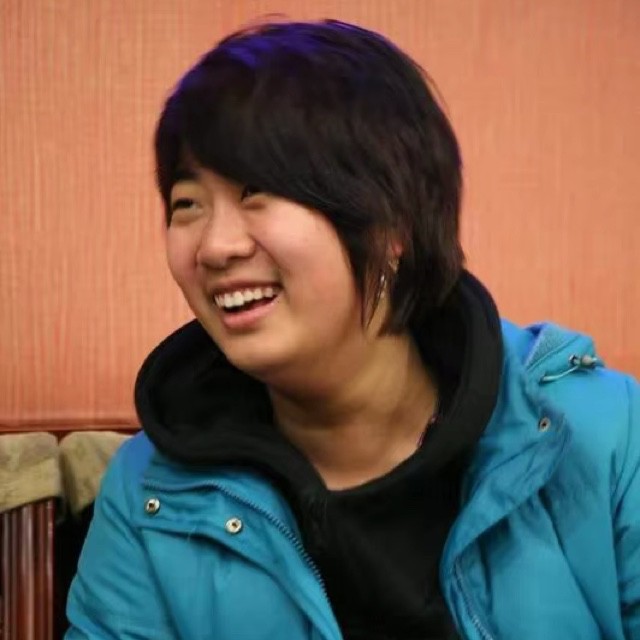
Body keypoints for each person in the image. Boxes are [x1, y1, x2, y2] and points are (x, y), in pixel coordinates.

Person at [65, 19, 640, 640]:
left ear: (391, 225)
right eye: (187, 205)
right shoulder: (151, 496)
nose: (214, 247)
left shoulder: (603, 436)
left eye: (258, 193)